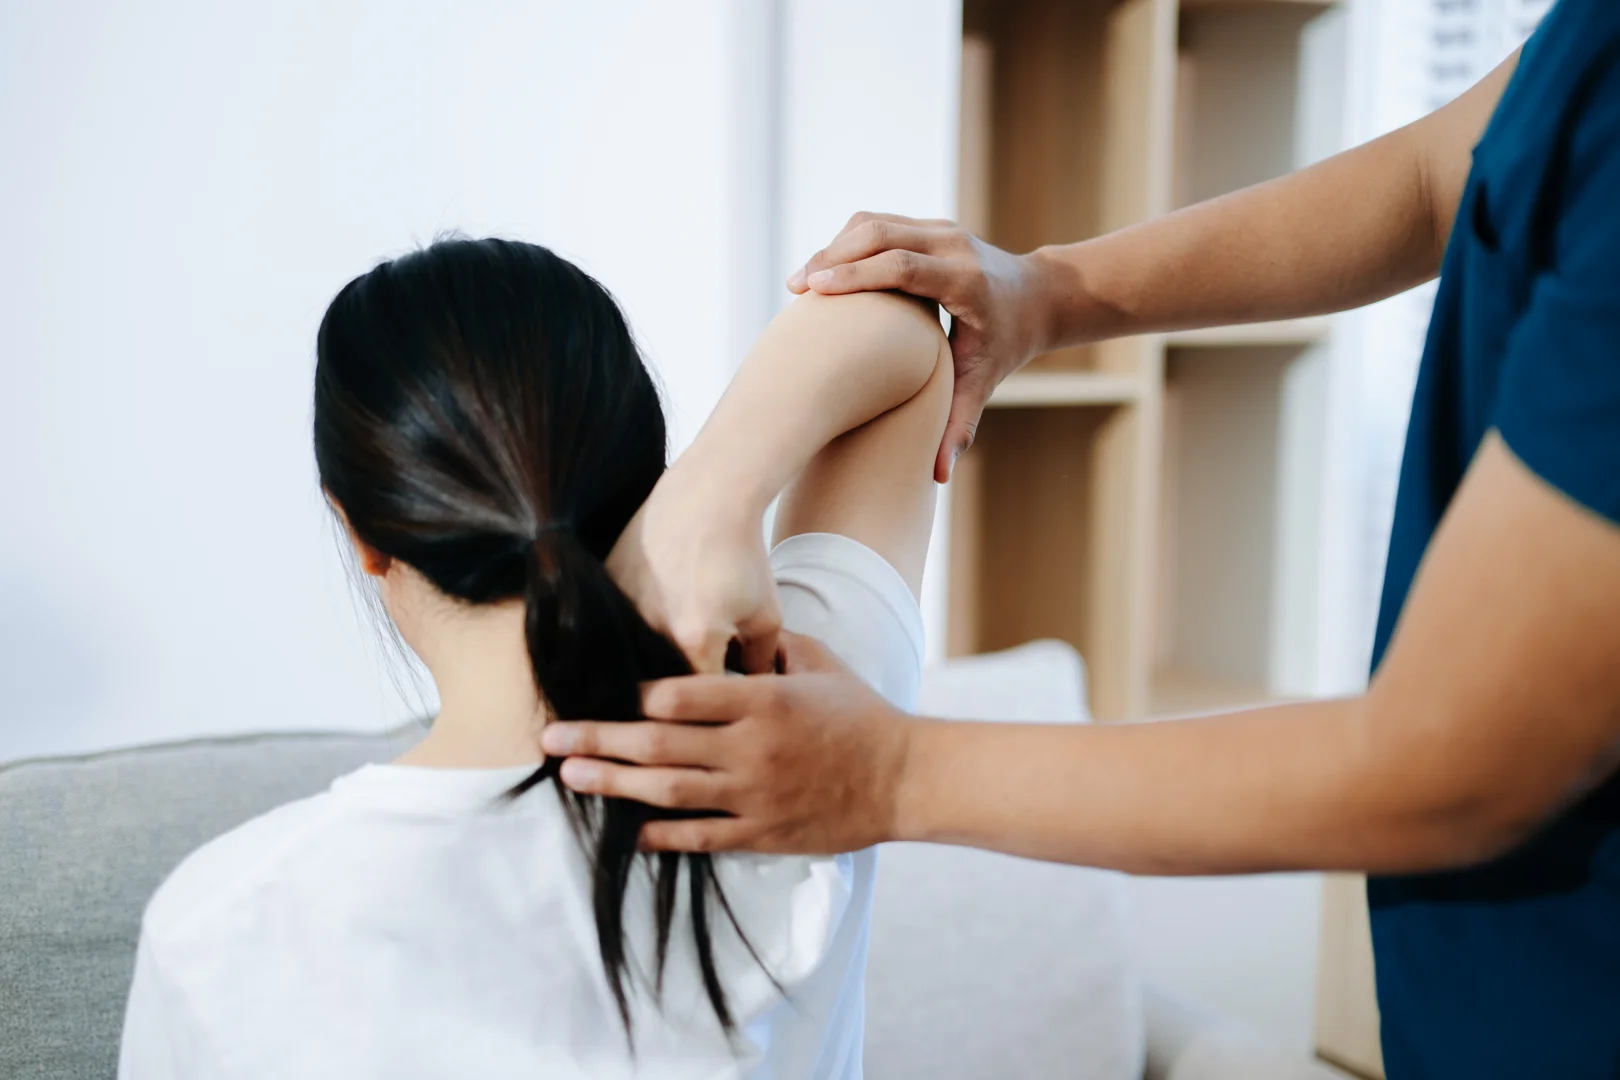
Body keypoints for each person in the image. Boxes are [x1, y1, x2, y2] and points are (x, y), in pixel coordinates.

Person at [542, 2, 1620, 1076]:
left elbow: (1459, 763)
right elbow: (1441, 174)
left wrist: (883, 761)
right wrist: (1049, 294)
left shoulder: (748, 716)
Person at [118, 237, 952, 1078]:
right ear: (650, 479)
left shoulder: (220, 927)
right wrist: (715, 491)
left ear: (362, 534)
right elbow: (900, 317)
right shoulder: (806, 721)